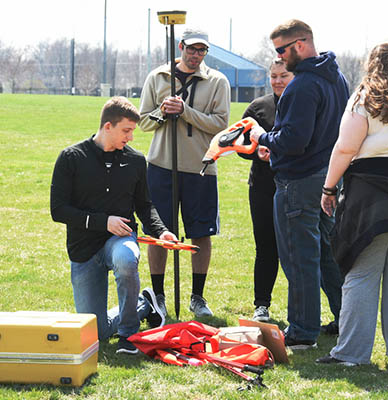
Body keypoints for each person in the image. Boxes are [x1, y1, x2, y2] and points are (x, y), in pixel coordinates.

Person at [50, 96, 177, 355]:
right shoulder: (71, 157)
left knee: (127, 257)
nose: (131, 137)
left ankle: (129, 336)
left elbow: (144, 205)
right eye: (126, 131)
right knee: (94, 332)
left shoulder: (136, 161)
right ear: (107, 126)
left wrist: (161, 230)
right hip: (83, 247)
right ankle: (144, 305)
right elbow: (58, 210)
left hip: (121, 240)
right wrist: (103, 222)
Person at [250, 19, 348, 349]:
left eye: (282, 50)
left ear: (301, 44)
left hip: (299, 181)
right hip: (326, 178)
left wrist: (262, 136)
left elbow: (294, 139)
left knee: (299, 256)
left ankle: (303, 332)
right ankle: (345, 320)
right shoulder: (337, 77)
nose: (279, 57)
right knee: (324, 254)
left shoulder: (304, 84)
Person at [316, 41, 388, 366]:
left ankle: (351, 353)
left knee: (361, 272)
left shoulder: (366, 98)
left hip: (371, 194)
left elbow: (345, 149)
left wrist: (328, 188)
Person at [139, 28, 230, 317]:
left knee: (201, 232)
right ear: (180, 47)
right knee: (159, 232)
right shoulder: (158, 77)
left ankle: (198, 297)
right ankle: (159, 295)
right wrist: (163, 113)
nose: (196, 55)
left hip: (200, 167)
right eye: (191, 49)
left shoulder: (217, 81)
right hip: (161, 166)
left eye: (202, 50)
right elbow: (143, 122)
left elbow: (220, 124)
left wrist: (185, 111)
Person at [238, 59, 294, 322]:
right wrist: (256, 153)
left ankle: (304, 310)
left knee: (298, 250)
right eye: (273, 76)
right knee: (266, 247)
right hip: (262, 187)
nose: (278, 81)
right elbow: (238, 143)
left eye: (284, 75)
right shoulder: (258, 107)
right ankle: (262, 304)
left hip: (297, 186)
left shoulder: (303, 104)